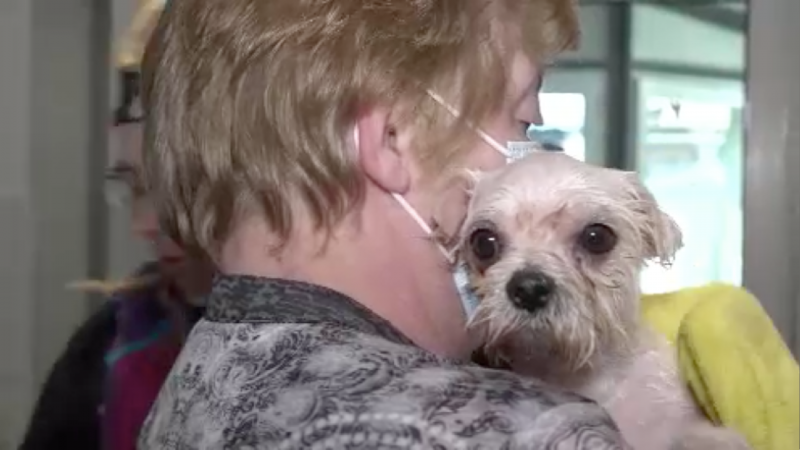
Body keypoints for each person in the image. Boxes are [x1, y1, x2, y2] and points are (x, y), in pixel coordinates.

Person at [139, 0, 629, 448]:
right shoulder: (525, 432)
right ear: (389, 140)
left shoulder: (184, 391)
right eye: (523, 120)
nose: (531, 157)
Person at [19, 68, 213, 450]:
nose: (144, 224)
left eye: (175, 188)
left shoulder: (323, 347)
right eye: (133, 187)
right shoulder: (107, 344)